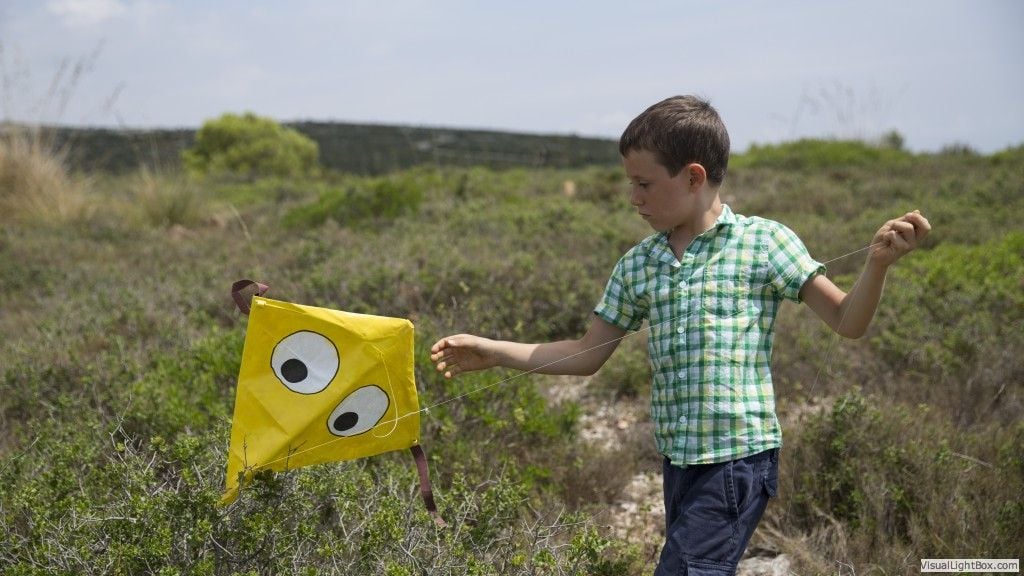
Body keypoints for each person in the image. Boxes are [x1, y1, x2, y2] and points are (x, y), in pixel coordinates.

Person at [429, 95, 930, 575]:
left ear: (693, 176)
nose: (634, 198)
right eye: (630, 184)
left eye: (644, 184)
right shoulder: (639, 264)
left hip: (738, 459)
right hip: (678, 463)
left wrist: (877, 266)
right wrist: (494, 351)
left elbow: (848, 321)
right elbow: (585, 353)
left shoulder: (764, 241)